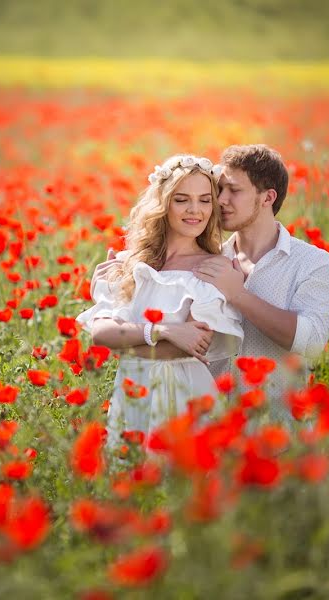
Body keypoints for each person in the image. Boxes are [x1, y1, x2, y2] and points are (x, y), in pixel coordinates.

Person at [92, 145, 329, 424]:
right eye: (219, 190)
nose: (221, 199)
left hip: (276, 424)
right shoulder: (209, 259)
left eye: (233, 190)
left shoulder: (311, 263)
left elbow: (313, 343)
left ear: (267, 197)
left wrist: (238, 294)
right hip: (208, 420)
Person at [76, 154, 244, 448]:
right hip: (133, 392)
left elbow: (193, 345)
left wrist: (127, 336)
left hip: (187, 394)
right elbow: (101, 335)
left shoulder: (215, 267)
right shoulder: (127, 265)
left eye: (205, 200)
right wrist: (164, 330)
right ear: (164, 203)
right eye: (182, 200)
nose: (195, 210)